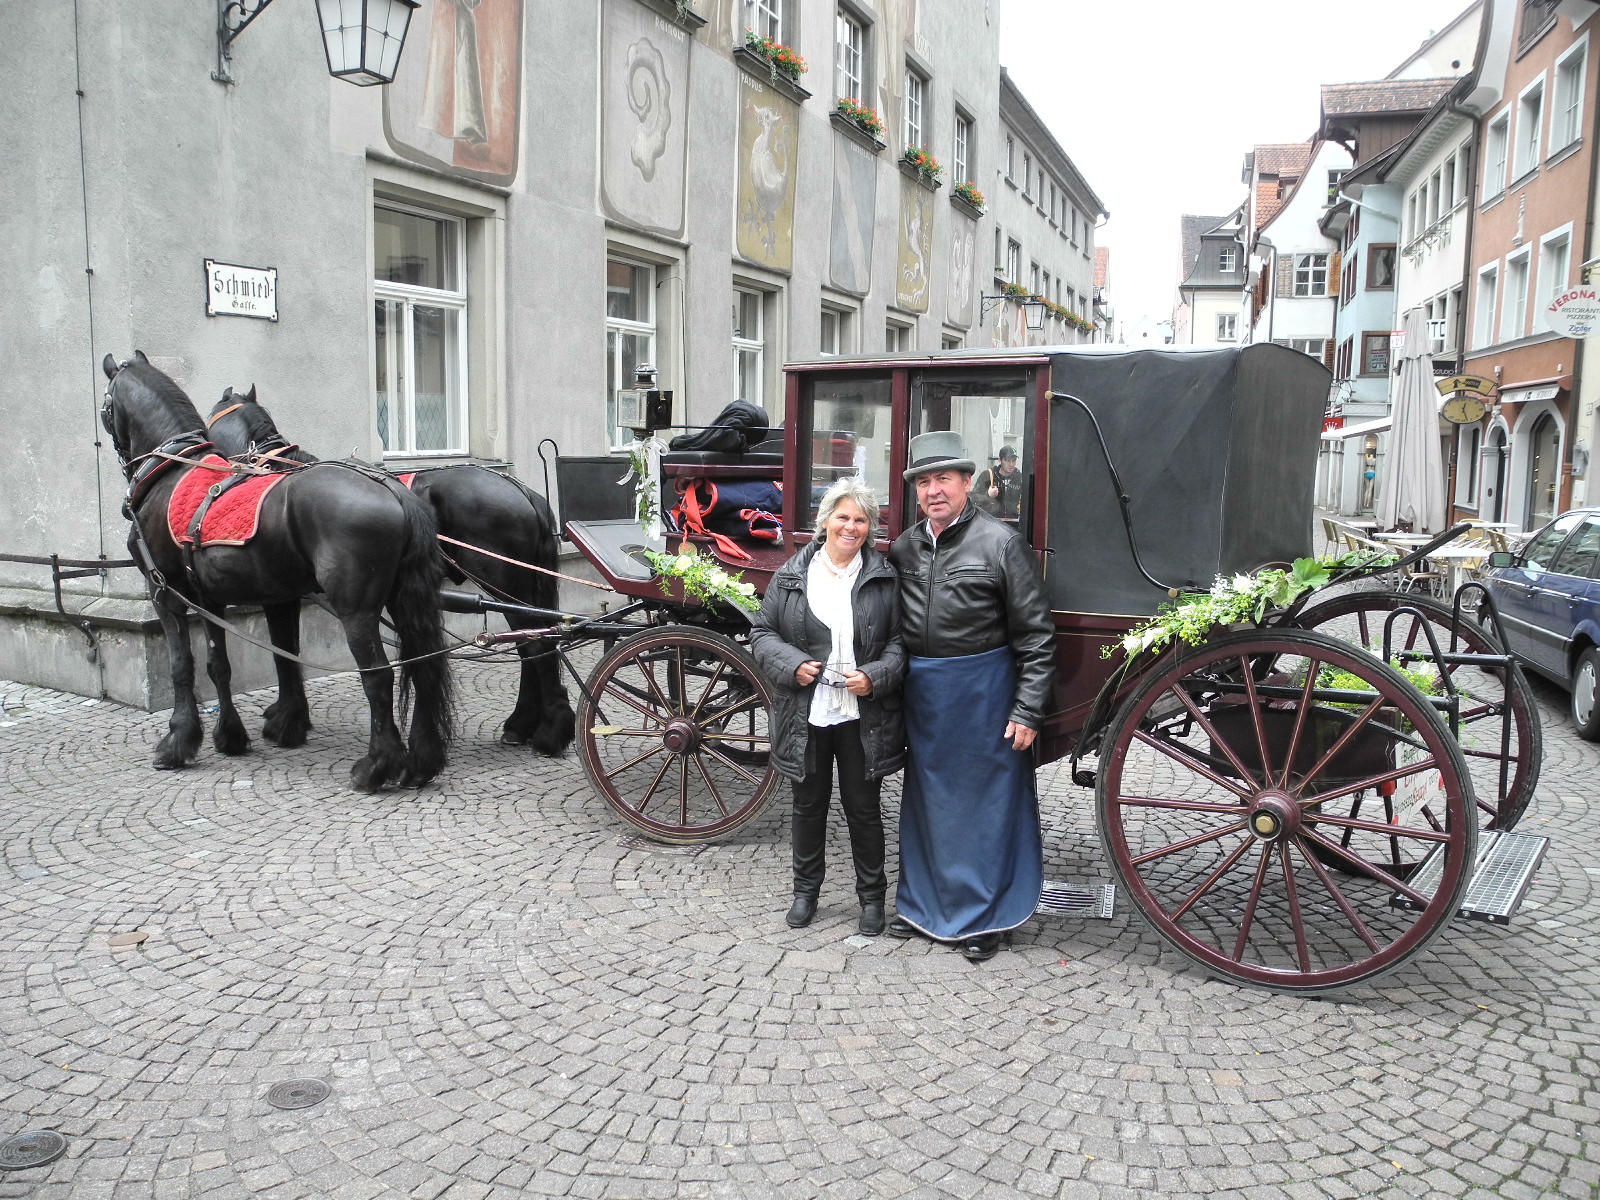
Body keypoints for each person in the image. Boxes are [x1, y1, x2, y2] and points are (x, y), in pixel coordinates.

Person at [888, 430, 1054, 962]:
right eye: (924, 482)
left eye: (944, 479)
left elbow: (1036, 635)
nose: (933, 490)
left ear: (966, 482)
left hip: (985, 693)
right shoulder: (904, 547)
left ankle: (987, 917)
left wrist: (1027, 709)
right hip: (925, 695)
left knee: (987, 806)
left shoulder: (1001, 544)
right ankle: (921, 905)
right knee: (928, 803)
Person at [749, 478, 906, 937]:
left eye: (861, 520)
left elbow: (900, 643)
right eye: (843, 517)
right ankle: (805, 893)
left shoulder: (883, 577)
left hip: (861, 715)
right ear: (825, 521)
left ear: (870, 527)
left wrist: (874, 676)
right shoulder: (792, 575)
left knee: (864, 809)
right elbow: (762, 633)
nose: (851, 527)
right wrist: (793, 664)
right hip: (807, 712)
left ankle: (872, 899)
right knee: (807, 805)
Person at [973, 445, 1023, 522]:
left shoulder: (1020, 478)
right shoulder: (987, 476)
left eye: (1014, 460)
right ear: (1000, 460)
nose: (1011, 464)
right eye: (1007, 460)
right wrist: (988, 495)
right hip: (991, 522)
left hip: (1013, 522)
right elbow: (973, 500)